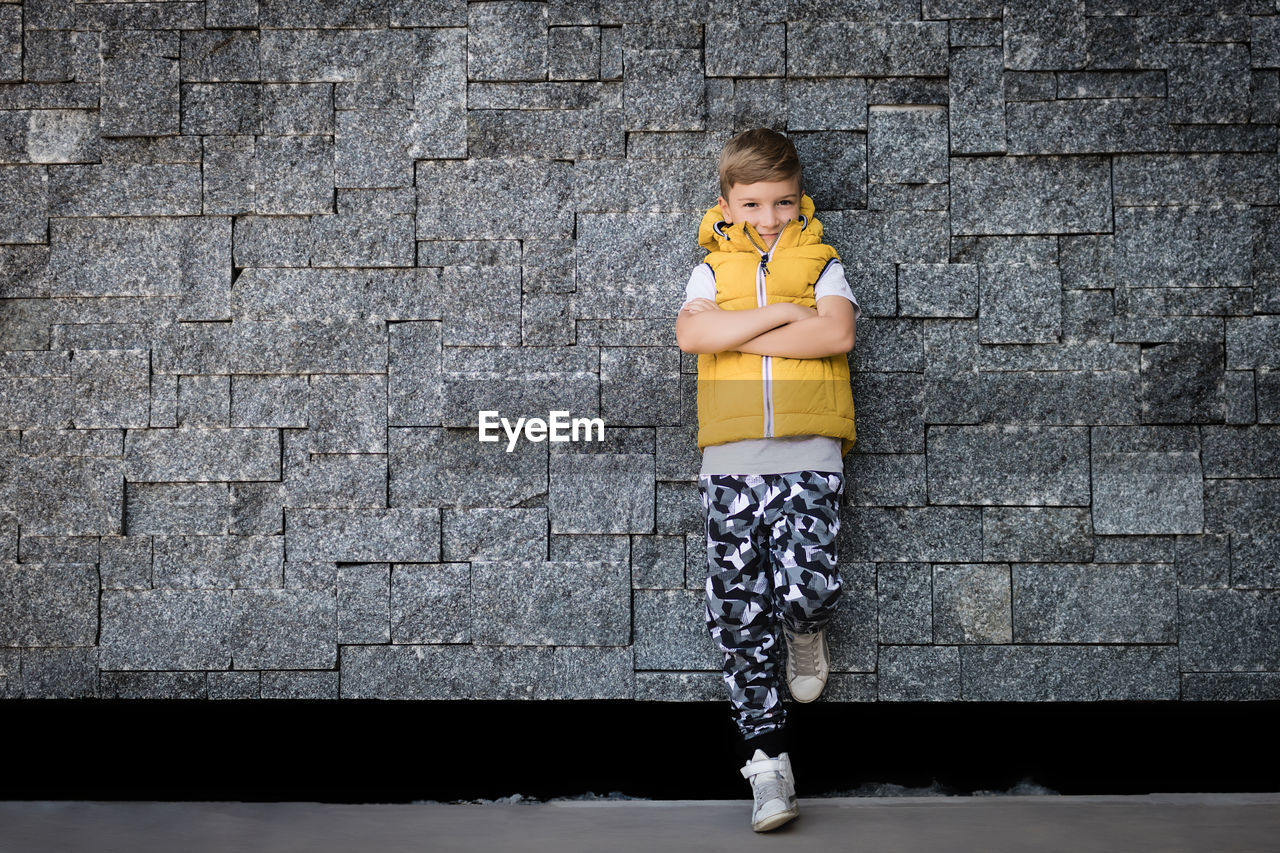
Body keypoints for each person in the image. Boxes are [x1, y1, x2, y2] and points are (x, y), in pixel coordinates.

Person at [675, 127, 860, 832]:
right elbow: (693, 337)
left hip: (810, 456)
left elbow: (836, 335)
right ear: (726, 205)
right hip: (729, 466)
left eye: (783, 202)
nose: (769, 217)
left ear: (799, 198)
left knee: (806, 587)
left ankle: (805, 628)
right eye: (753, 203)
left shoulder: (822, 262)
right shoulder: (707, 272)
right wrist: (785, 313)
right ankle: (768, 763)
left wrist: (742, 331)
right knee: (738, 615)